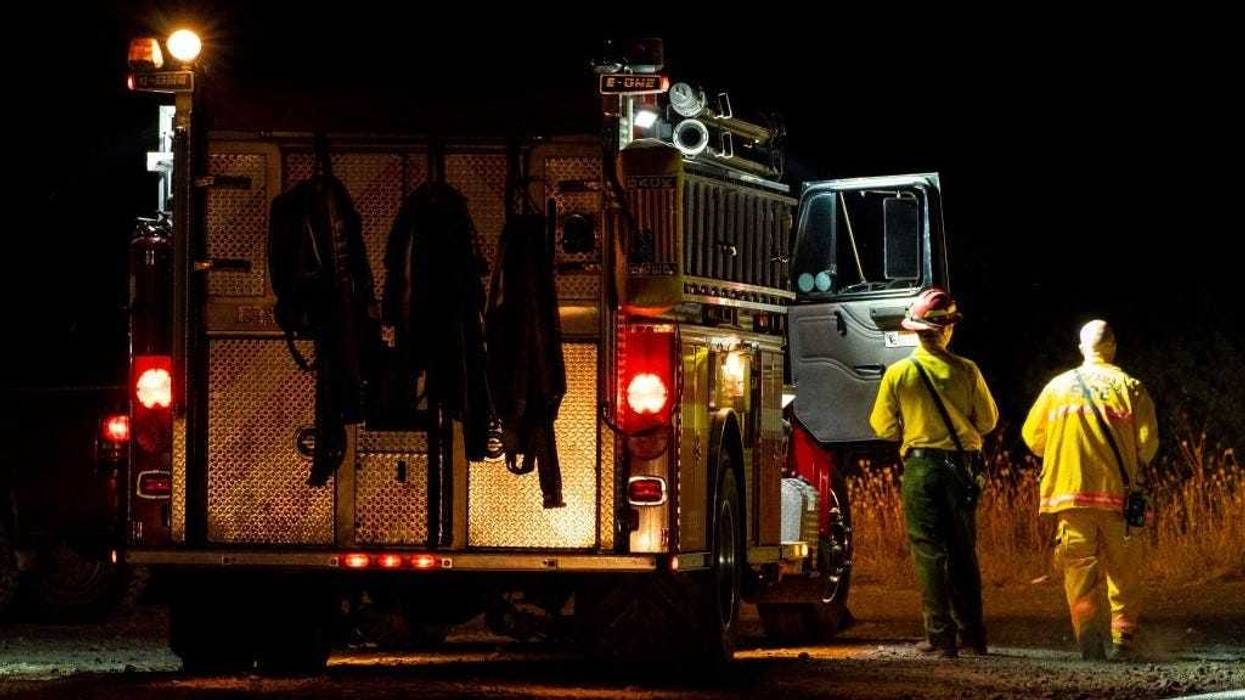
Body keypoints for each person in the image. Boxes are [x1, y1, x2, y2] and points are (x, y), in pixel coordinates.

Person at [870, 288, 999, 657]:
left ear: (916, 330)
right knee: (963, 552)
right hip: (961, 469)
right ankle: (973, 636)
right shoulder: (967, 371)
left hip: (921, 467)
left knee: (929, 552)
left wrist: (911, 428)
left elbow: (881, 426)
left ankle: (941, 639)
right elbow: (988, 422)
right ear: (946, 330)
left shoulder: (899, 374)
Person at [1022, 320, 1158, 660]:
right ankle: (1124, 641)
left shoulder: (1056, 388)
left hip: (1069, 496)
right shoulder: (1132, 387)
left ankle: (1089, 643)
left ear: (1082, 349)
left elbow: (1032, 438)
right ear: (1112, 346)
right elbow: (1148, 446)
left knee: (1079, 573)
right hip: (1118, 498)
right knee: (1123, 570)